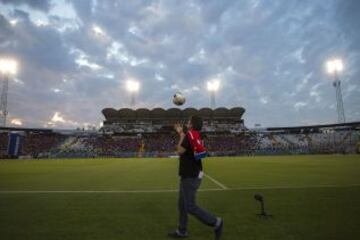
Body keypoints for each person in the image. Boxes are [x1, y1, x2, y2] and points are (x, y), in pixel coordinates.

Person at [168, 115, 223, 239]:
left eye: (188, 121)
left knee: (190, 206)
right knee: (182, 204)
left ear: (192, 124)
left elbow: (179, 151)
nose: (187, 123)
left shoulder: (189, 135)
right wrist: (182, 133)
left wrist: (181, 134)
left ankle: (216, 222)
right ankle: (182, 231)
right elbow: (195, 152)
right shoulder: (195, 135)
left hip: (190, 176)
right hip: (190, 174)